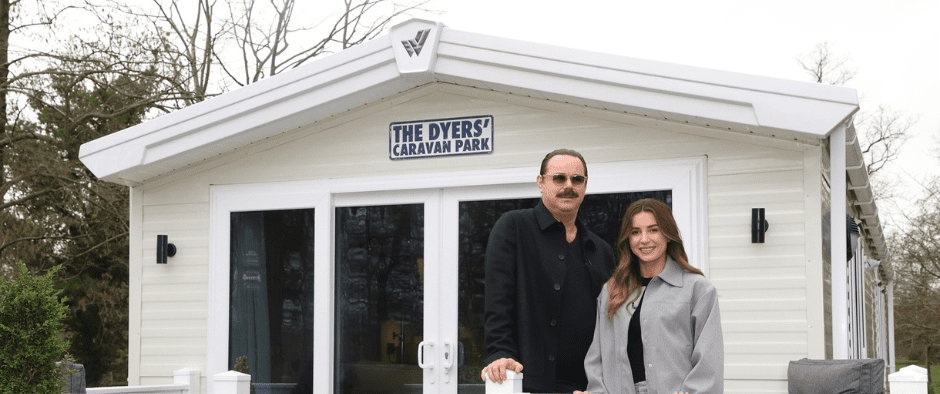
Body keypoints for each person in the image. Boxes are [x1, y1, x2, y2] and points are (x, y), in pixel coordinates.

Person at [481, 149, 617, 393]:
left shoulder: (602, 250)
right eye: (559, 178)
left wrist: (601, 384)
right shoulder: (514, 228)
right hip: (529, 384)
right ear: (541, 182)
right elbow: (498, 302)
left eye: (577, 179)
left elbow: (610, 326)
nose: (569, 185)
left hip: (587, 387)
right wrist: (500, 352)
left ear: (585, 185)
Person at [579, 198, 723, 394]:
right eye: (635, 232)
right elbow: (597, 355)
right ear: (627, 239)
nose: (644, 239)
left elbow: (709, 360)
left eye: (653, 230)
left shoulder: (697, 290)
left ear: (668, 234)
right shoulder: (612, 291)